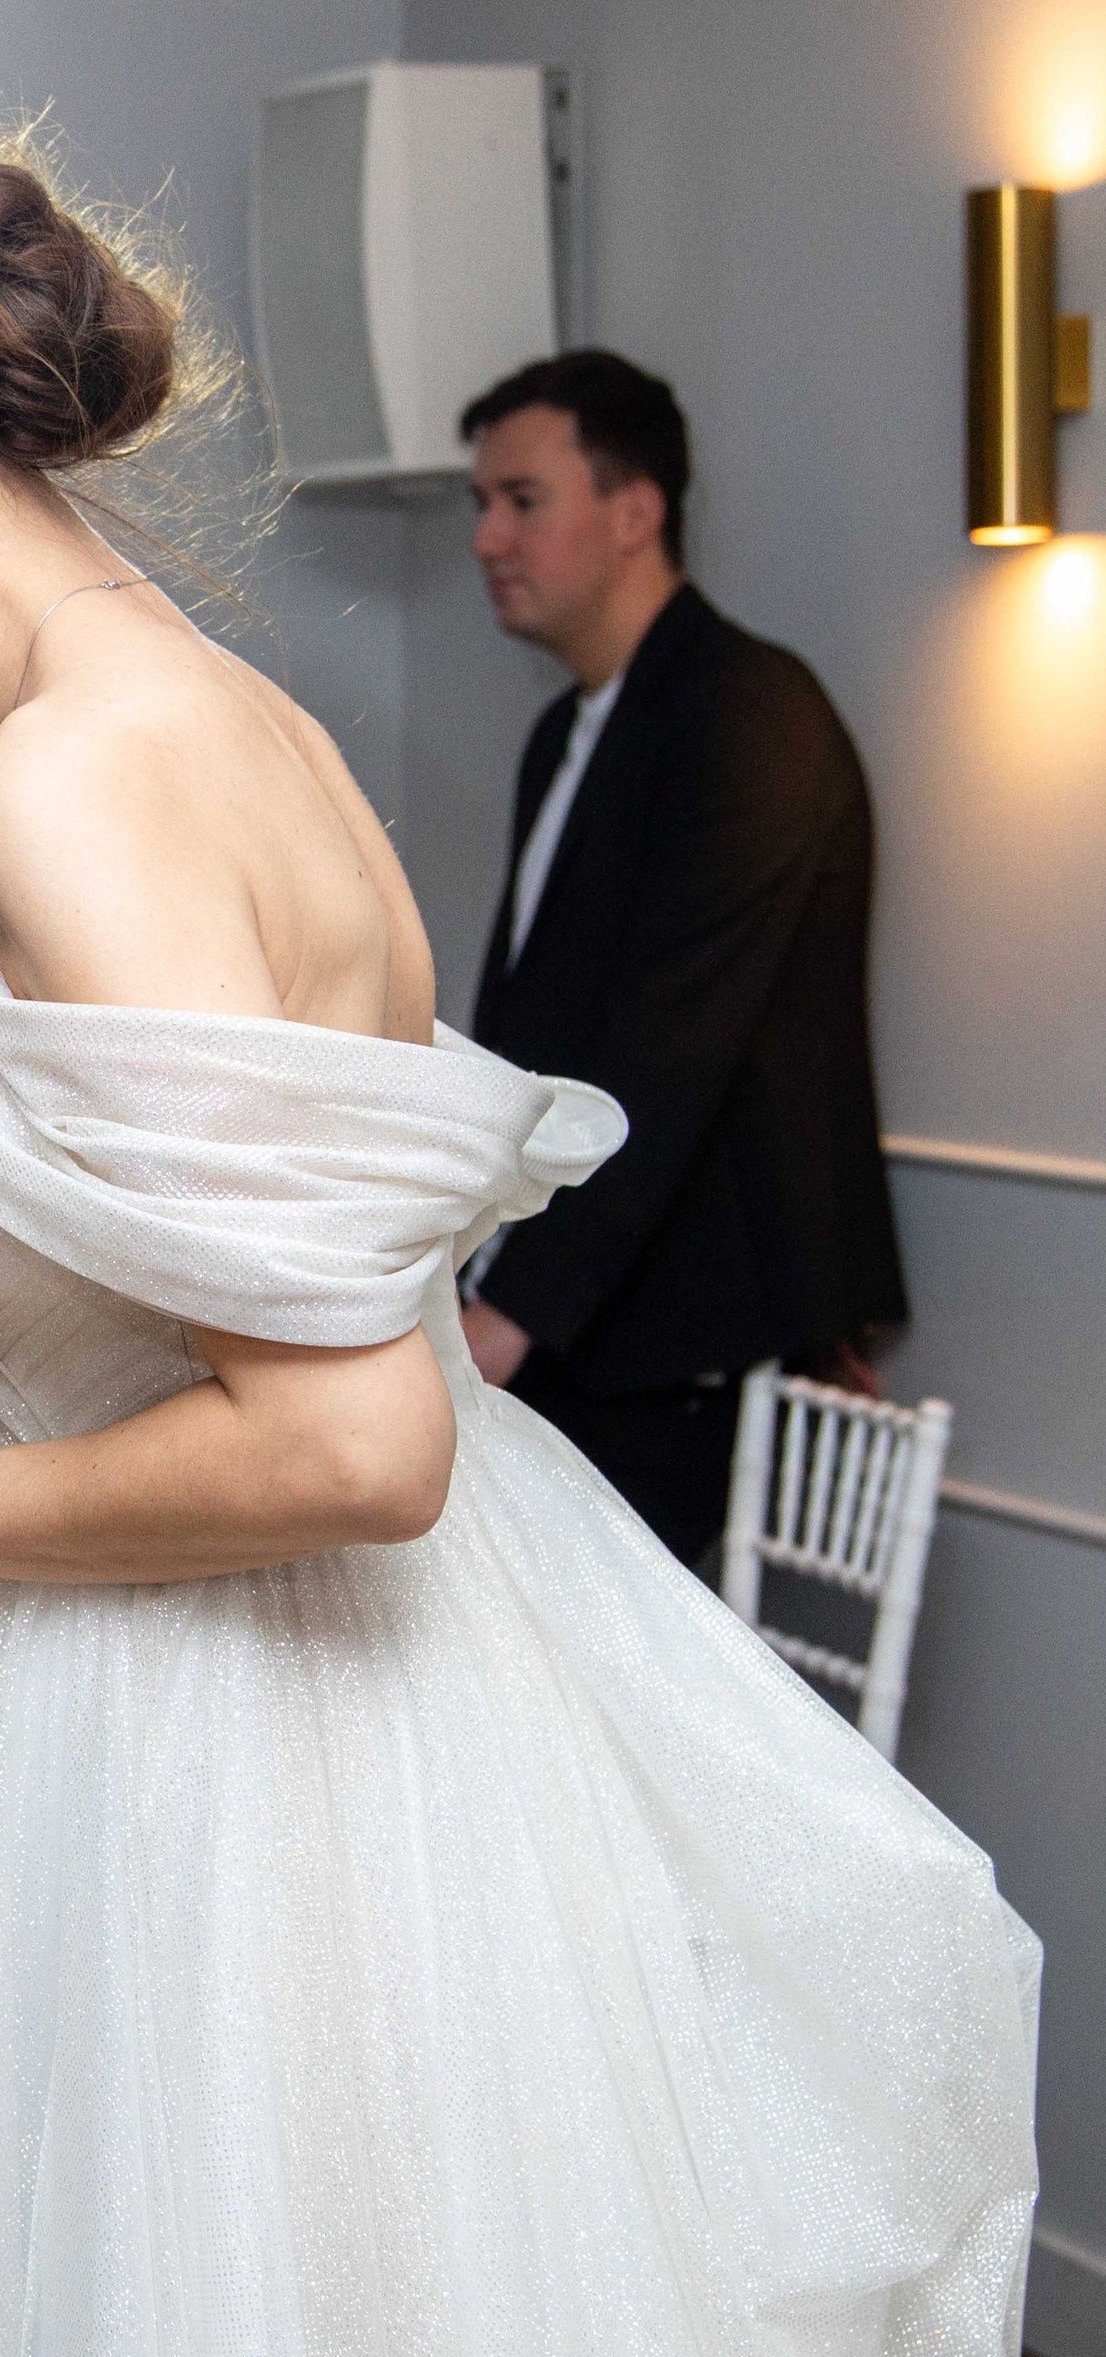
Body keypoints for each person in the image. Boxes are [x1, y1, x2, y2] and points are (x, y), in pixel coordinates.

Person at [0, 122, 1083, 2357]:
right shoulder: (228, 722)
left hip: (221, 1754)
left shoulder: (72, 782)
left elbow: (360, 1436)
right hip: (317, 1706)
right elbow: (229, 1307)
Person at [456, 349, 907, 1562]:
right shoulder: (566, 733)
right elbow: (536, 1034)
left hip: (671, 1338)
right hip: (575, 1318)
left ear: (635, 510)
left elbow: (674, 1047)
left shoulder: (750, 708)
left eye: (523, 499)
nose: (488, 537)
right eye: (480, 505)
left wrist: (505, 1318)